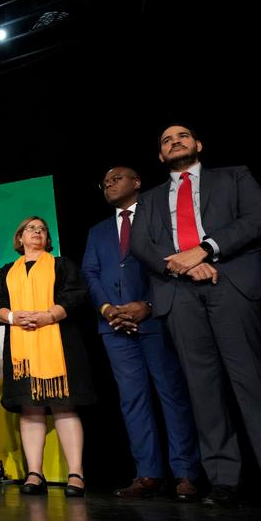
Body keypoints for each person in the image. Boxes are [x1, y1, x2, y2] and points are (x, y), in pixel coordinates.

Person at [131, 124, 261, 507]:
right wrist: (183, 265)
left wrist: (204, 249)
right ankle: (223, 480)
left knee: (250, 381)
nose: (175, 141)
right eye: (166, 140)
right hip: (179, 294)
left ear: (199, 144)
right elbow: (142, 244)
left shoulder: (234, 176)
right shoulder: (152, 199)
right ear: (160, 156)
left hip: (230, 282)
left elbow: (255, 219)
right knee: (202, 389)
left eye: (183, 136)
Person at [81, 167, 200, 500]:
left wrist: (147, 304)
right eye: (104, 181)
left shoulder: (159, 218)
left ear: (137, 182)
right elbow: (90, 274)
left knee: (172, 396)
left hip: (156, 320)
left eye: (116, 177)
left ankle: (186, 474)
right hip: (114, 327)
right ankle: (148, 474)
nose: (108, 182)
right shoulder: (98, 230)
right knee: (132, 401)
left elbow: (171, 263)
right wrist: (108, 310)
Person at [0, 216, 96, 497]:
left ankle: (76, 474)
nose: (36, 232)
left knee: (64, 406)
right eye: (30, 229)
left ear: (47, 239)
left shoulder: (62, 265)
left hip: (60, 344)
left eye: (41, 230)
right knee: (30, 409)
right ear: (20, 238)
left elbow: (76, 295)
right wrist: (12, 316)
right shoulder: (6, 272)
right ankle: (34, 473)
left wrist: (49, 315)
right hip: (21, 350)